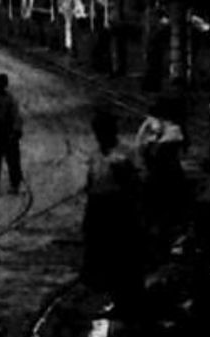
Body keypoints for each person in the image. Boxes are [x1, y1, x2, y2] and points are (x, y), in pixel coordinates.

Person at [81, 110, 144, 307]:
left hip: (119, 208)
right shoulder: (95, 155)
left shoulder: (126, 153)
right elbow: (91, 182)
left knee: (119, 253)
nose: (101, 136)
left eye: (104, 132)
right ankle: (107, 295)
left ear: (113, 132)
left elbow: (137, 183)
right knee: (98, 252)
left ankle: (124, 298)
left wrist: (124, 174)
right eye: (98, 132)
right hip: (98, 206)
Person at [135, 94, 189, 239]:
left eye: (152, 119)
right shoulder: (159, 134)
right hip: (159, 177)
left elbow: (152, 152)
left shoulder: (173, 133)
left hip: (166, 179)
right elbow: (140, 148)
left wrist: (148, 136)